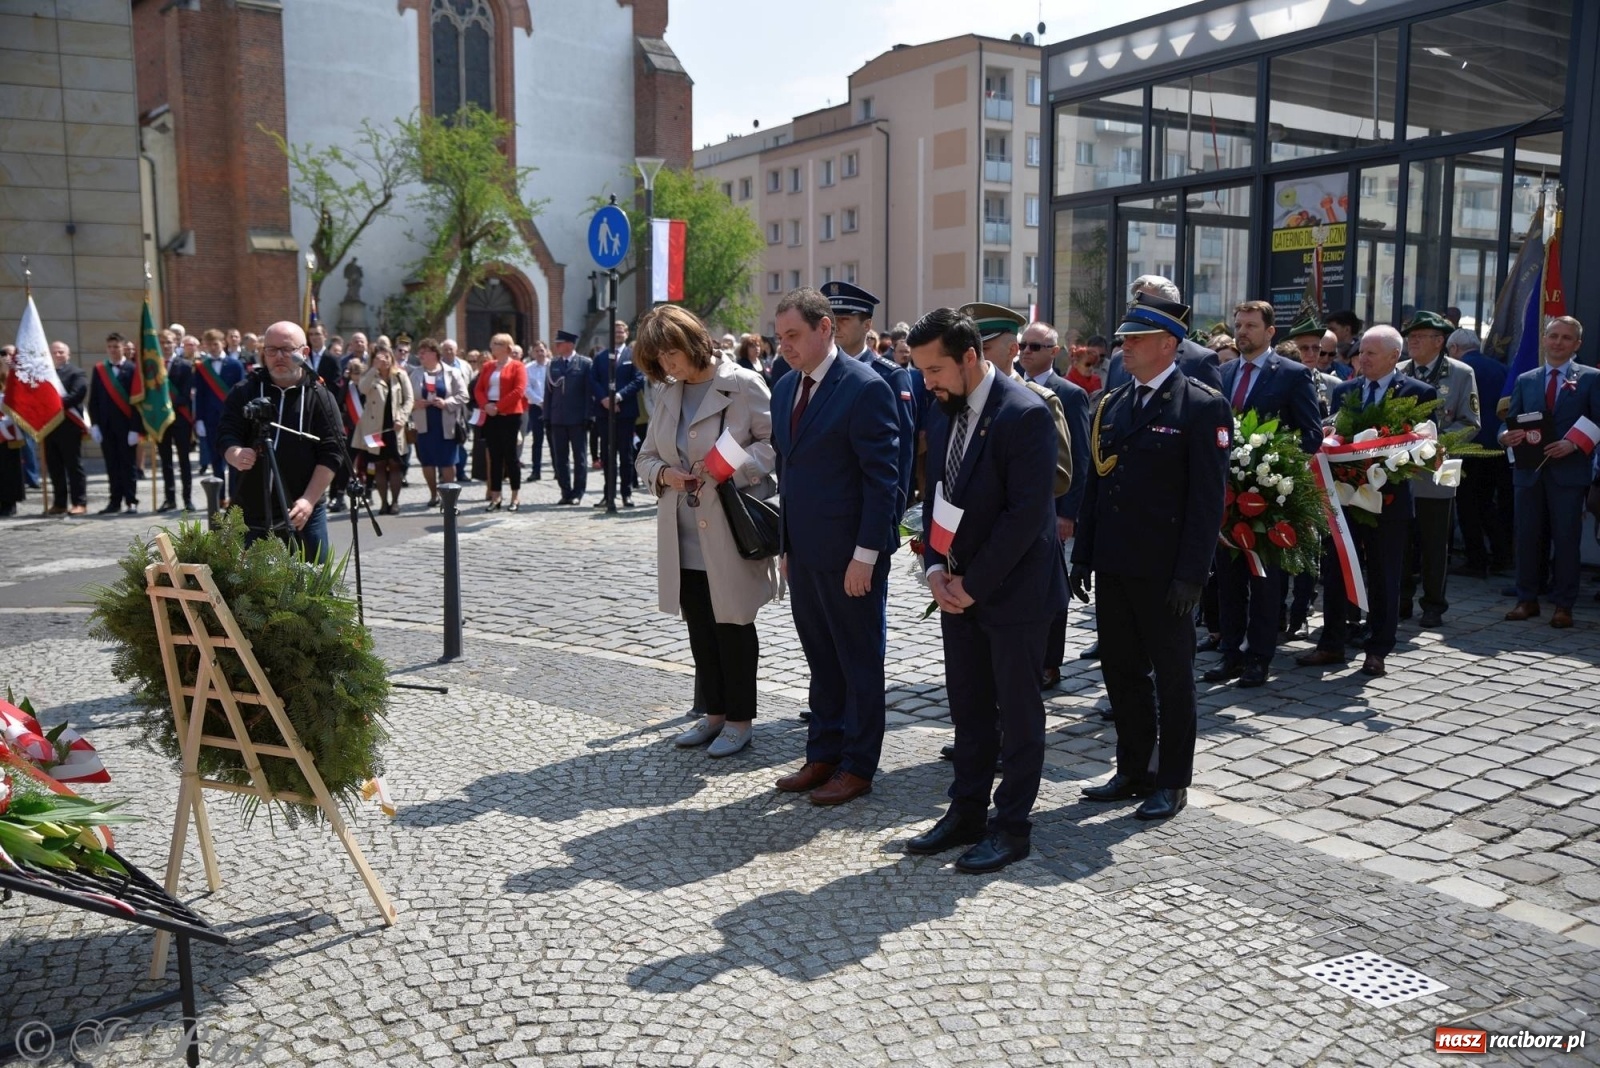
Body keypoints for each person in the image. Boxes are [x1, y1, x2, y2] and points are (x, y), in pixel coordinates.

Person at [904, 308, 1066, 873]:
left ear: (971, 357)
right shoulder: (943, 408)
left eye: (935, 369)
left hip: (1014, 593)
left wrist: (972, 584)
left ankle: (1011, 826)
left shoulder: (1026, 414)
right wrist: (933, 568)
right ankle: (965, 812)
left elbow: (1026, 518)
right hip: (958, 589)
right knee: (968, 710)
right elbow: (936, 493)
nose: (927, 381)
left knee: (1018, 717)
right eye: (921, 370)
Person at [1071, 292, 1229, 821]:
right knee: (1121, 673)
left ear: (1169, 344)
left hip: (1166, 573)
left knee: (1173, 677)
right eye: (1124, 340)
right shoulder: (1113, 404)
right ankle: (1133, 768)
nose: (1125, 348)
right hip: (1116, 564)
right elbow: (1098, 486)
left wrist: (1192, 574)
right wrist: (1083, 557)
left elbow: (1207, 503)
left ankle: (1173, 779)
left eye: (1136, 340)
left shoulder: (1201, 405)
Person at [769, 287, 900, 806]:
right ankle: (822, 752)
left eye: (794, 336)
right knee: (820, 658)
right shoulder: (784, 388)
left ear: (826, 329)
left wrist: (866, 555)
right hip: (804, 552)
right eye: (780, 338)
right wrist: (786, 545)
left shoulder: (864, 387)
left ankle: (858, 764)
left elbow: (882, 480)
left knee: (858, 660)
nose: (785, 347)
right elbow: (789, 473)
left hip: (851, 557)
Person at [635, 306, 778, 758]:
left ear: (692, 341)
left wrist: (727, 469)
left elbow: (773, 445)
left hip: (730, 526)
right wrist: (666, 475)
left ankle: (740, 720)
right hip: (682, 530)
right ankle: (713, 714)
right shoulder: (667, 392)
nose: (667, 367)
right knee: (700, 626)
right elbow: (644, 457)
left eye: (670, 356)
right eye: (658, 361)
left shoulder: (742, 383)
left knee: (734, 624)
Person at [1296, 326, 1437, 677]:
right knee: (1335, 568)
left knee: (1384, 573)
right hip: (1345, 498)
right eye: (1361, 352)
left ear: (1394, 357)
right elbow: (1333, 437)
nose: (1364, 359)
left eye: (1373, 353)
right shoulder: (1345, 391)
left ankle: (1378, 649)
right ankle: (1331, 643)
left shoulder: (1418, 393)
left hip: (1388, 500)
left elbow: (1428, 448)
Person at [1204, 300, 1322, 689]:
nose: (1242, 332)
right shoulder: (1221, 373)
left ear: (1270, 332)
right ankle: (1231, 653)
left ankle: (1259, 656)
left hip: (1270, 499)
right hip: (1225, 498)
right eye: (1239, 325)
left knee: (1266, 580)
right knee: (1229, 577)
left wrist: (1275, 466)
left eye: (1251, 326)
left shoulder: (1292, 374)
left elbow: (1311, 434)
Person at [992, 312, 1087, 690]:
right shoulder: (1008, 388)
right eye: (1024, 346)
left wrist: (1067, 513)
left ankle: (1050, 660)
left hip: (1051, 510)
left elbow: (1076, 460)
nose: (1028, 353)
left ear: (1055, 351)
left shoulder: (1067, 394)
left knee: (1051, 585)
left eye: (1036, 347)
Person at [1501, 316, 1599, 629]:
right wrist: (1505, 436)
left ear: (1577, 345)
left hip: (1568, 473)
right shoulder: (1526, 379)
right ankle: (1526, 599)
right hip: (1529, 473)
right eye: (1553, 336)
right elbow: (1510, 421)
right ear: (1544, 339)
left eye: (1566, 338)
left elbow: (1598, 421)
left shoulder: (1591, 378)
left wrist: (1574, 444)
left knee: (1566, 539)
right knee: (1527, 537)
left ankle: (1563, 605)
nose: (1558, 342)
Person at [216, 321, 344, 560]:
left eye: (287, 350)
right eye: (271, 350)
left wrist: (308, 500)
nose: (278, 357)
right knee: (243, 589)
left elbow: (333, 452)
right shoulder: (245, 390)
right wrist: (234, 453)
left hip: (302, 510)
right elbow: (226, 432)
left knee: (315, 586)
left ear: (304, 353)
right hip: (249, 508)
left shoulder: (320, 397)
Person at [1397, 311, 1480, 628]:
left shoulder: (1460, 373)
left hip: (1439, 468)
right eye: (1410, 337)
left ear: (1439, 341)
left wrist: (1432, 443)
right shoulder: (1400, 370)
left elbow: (1471, 423)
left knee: (1435, 541)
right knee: (1399, 539)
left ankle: (1433, 604)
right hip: (1399, 469)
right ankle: (1401, 598)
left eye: (1420, 337)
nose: (1413, 342)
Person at [821, 282, 917, 512]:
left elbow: (901, 451)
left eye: (844, 319)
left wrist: (893, 512)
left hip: (865, 507)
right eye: (831, 318)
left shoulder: (890, 376)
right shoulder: (817, 371)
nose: (835, 326)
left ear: (867, 325)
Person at [1449, 327, 1512, 578]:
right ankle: (1500, 556)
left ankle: (1476, 560)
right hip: (1497, 445)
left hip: (1469, 447)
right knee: (1487, 504)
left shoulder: (1458, 371)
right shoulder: (1500, 367)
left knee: (1467, 505)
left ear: (1454, 348)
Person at [1103, 276, 1223, 392]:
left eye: (1146, 302)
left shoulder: (1199, 360)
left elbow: (1210, 407)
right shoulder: (1118, 361)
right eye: (1136, 299)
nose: (1139, 307)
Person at [351, 341, 414, 515]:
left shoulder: (400, 375)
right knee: (379, 465)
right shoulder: (370, 375)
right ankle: (383, 503)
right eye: (380, 357)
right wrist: (373, 369)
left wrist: (402, 418)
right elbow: (362, 389)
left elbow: (409, 399)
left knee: (395, 465)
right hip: (375, 428)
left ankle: (394, 502)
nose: (385, 360)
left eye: (387, 357)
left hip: (394, 427)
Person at [408, 338, 468, 509]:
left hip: (446, 423)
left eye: (423, 352)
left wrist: (447, 403)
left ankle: (449, 498)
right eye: (419, 352)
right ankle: (433, 494)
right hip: (424, 423)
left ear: (434, 353)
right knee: (427, 461)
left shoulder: (452, 372)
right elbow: (406, 399)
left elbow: (464, 396)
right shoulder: (416, 374)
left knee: (448, 461)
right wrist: (415, 404)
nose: (420, 355)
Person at [590, 321, 643, 511]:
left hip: (626, 411)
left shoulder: (633, 355)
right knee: (607, 454)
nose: (618, 334)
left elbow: (638, 380)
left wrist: (619, 397)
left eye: (621, 331)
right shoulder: (601, 356)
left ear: (627, 333)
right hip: (604, 412)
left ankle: (626, 494)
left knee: (626, 455)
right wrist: (605, 399)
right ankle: (608, 494)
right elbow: (593, 379)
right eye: (615, 331)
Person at [87, 332, 141, 514]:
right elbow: (93, 399)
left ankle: (131, 500)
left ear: (123, 347)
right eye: (110, 347)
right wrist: (94, 425)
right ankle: (114, 501)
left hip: (126, 427)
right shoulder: (100, 369)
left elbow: (137, 402)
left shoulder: (133, 369)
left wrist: (135, 428)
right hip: (106, 426)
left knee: (128, 465)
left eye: (116, 347)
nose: (113, 350)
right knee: (112, 465)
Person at [192, 328, 245, 505]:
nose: (213, 348)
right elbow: (199, 394)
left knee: (234, 459)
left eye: (216, 344)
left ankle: (235, 497)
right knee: (216, 459)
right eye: (209, 345)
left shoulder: (235, 365)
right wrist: (198, 418)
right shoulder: (202, 368)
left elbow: (242, 392)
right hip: (210, 418)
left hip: (232, 418)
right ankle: (219, 497)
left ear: (223, 343)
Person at [475, 333, 527, 511]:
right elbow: (479, 389)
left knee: (511, 457)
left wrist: (499, 406)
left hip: (510, 416)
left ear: (507, 347)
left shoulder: (518, 366)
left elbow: (519, 390)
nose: (493, 347)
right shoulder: (488, 366)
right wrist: (486, 405)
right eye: (492, 343)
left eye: (496, 344)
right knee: (494, 457)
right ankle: (496, 496)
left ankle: (515, 496)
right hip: (491, 416)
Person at [545, 330, 592, 505]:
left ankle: (578, 492)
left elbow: (588, 393)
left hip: (578, 419)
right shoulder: (553, 364)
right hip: (558, 418)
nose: (556, 346)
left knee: (579, 458)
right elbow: (548, 393)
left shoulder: (585, 363)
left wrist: (589, 416)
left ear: (570, 344)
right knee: (560, 458)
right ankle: (565, 491)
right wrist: (547, 417)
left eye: (560, 343)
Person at [45, 341, 89, 515]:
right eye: (54, 352)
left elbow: (77, 394)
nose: (57, 355)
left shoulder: (76, 373)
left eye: (61, 352)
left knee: (73, 466)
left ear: (68, 354)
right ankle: (59, 503)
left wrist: (52, 406)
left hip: (69, 426)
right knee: (54, 466)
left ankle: (80, 502)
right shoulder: (45, 375)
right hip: (49, 427)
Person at [158, 335, 197, 512]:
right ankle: (169, 498)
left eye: (168, 342)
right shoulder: (153, 366)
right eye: (162, 343)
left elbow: (185, 392)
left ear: (175, 344)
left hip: (181, 417)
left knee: (184, 460)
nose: (166, 346)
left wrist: (167, 406)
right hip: (161, 420)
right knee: (165, 461)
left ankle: (187, 499)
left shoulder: (186, 365)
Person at [522, 339, 548, 481]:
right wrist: (540, 402)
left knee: (554, 440)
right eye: (536, 351)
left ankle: (558, 470)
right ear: (532, 353)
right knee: (537, 440)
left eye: (542, 350)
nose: (539, 353)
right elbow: (526, 388)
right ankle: (536, 471)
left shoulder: (553, 365)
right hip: (536, 407)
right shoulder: (528, 368)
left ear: (546, 351)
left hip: (553, 408)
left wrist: (548, 402)